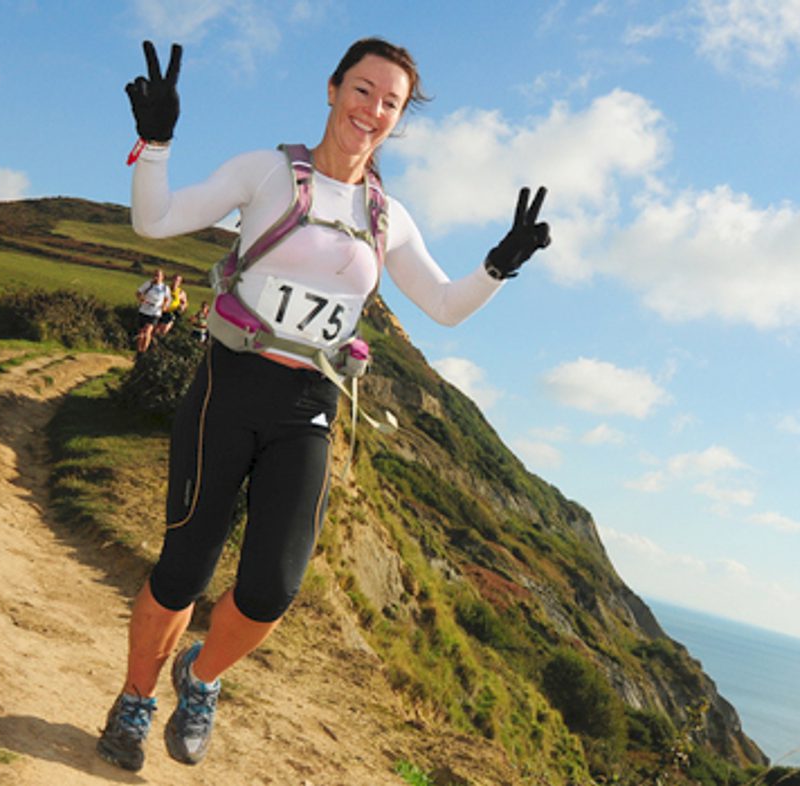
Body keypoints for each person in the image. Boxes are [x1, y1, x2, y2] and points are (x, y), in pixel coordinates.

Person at [95, 38, 551, 772]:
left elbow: (441, 304)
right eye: (362, 90)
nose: (372, 110)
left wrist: (498, 266)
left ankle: (200, 677)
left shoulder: (387, 217)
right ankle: (135, 703)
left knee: (272, 590)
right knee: (184, 568)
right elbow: (155, 223)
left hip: (309, 403)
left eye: (389, 103)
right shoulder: (265, 171)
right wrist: (156, 144)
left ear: (398, 120)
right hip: (229, 383)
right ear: (334, 89)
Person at [134, 268, 170, 353]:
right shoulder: (148, 284)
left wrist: (164, 306)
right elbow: (138, 293)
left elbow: (167, 299)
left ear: (162, 277)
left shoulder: (165, 288)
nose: (156, 277)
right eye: (155, 275)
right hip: (144, 310)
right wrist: (142, 299)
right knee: (141, 333)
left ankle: (144, 350)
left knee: (148, 331)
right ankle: (139, 350)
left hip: (155, 312)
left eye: (158, 275)